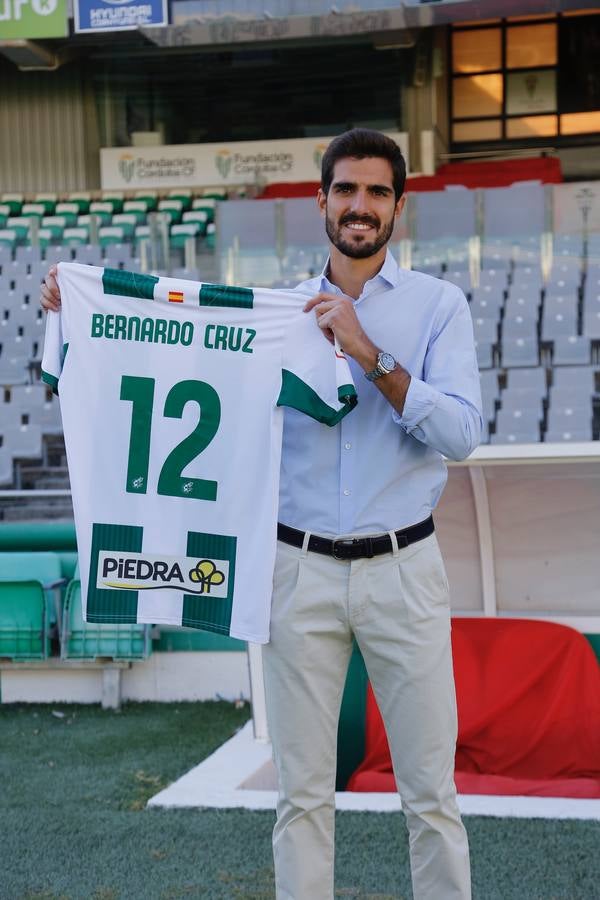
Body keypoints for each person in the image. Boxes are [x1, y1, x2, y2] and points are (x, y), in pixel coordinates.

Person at [41, 128, 482, 900]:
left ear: (398, 208)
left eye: (377, 192)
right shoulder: (273, 311)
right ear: (321, 200)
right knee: (302, 796)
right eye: (346, 189)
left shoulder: (439, 306)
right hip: (296, 569)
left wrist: (368, 353)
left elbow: (462, 436)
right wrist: (76, 312)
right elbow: (169, 347)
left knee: (431, 795)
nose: (360, 205)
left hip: (405, 569)